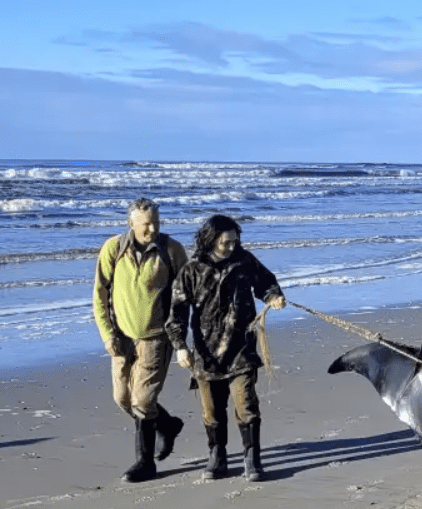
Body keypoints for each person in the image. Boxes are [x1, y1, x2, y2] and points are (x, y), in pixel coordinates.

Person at [166, 214, 286, 482]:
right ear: (210, 240)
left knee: (246, 405)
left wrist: (274, 296)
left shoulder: (244, 261)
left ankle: (252, 459)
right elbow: (177, 313)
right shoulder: (192, 270)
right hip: (205, 352)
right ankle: (217, 456)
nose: (232, 247)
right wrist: (180, 347)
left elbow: (265, 281)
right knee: (211, 411)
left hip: (241, 346)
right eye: (226, 243)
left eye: (235, 241)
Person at [92, 197, 190, 483]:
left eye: (156, 223)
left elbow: (185, 294)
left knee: (143, 401)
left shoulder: (171, 250)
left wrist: (181, 337)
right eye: (146, 224)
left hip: (157, 338)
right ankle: (168, 425)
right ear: (131, 223)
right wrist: (107, 334)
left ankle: (145, 463)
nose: (152, 229)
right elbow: (99, 295)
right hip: (121, 337)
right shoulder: (113, 248)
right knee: (122, 398)